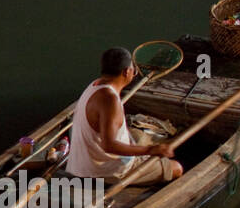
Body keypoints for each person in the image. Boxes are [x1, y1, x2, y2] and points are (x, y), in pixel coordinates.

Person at [64, 47, 183, 187]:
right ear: (127, 72)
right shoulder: (110, 100)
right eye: (133, 69)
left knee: (136, 138)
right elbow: (109, 145)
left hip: (81, 163)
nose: (134, 72)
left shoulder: (95, 85)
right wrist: (151, 150)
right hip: (105, 172)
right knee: (176, 168)